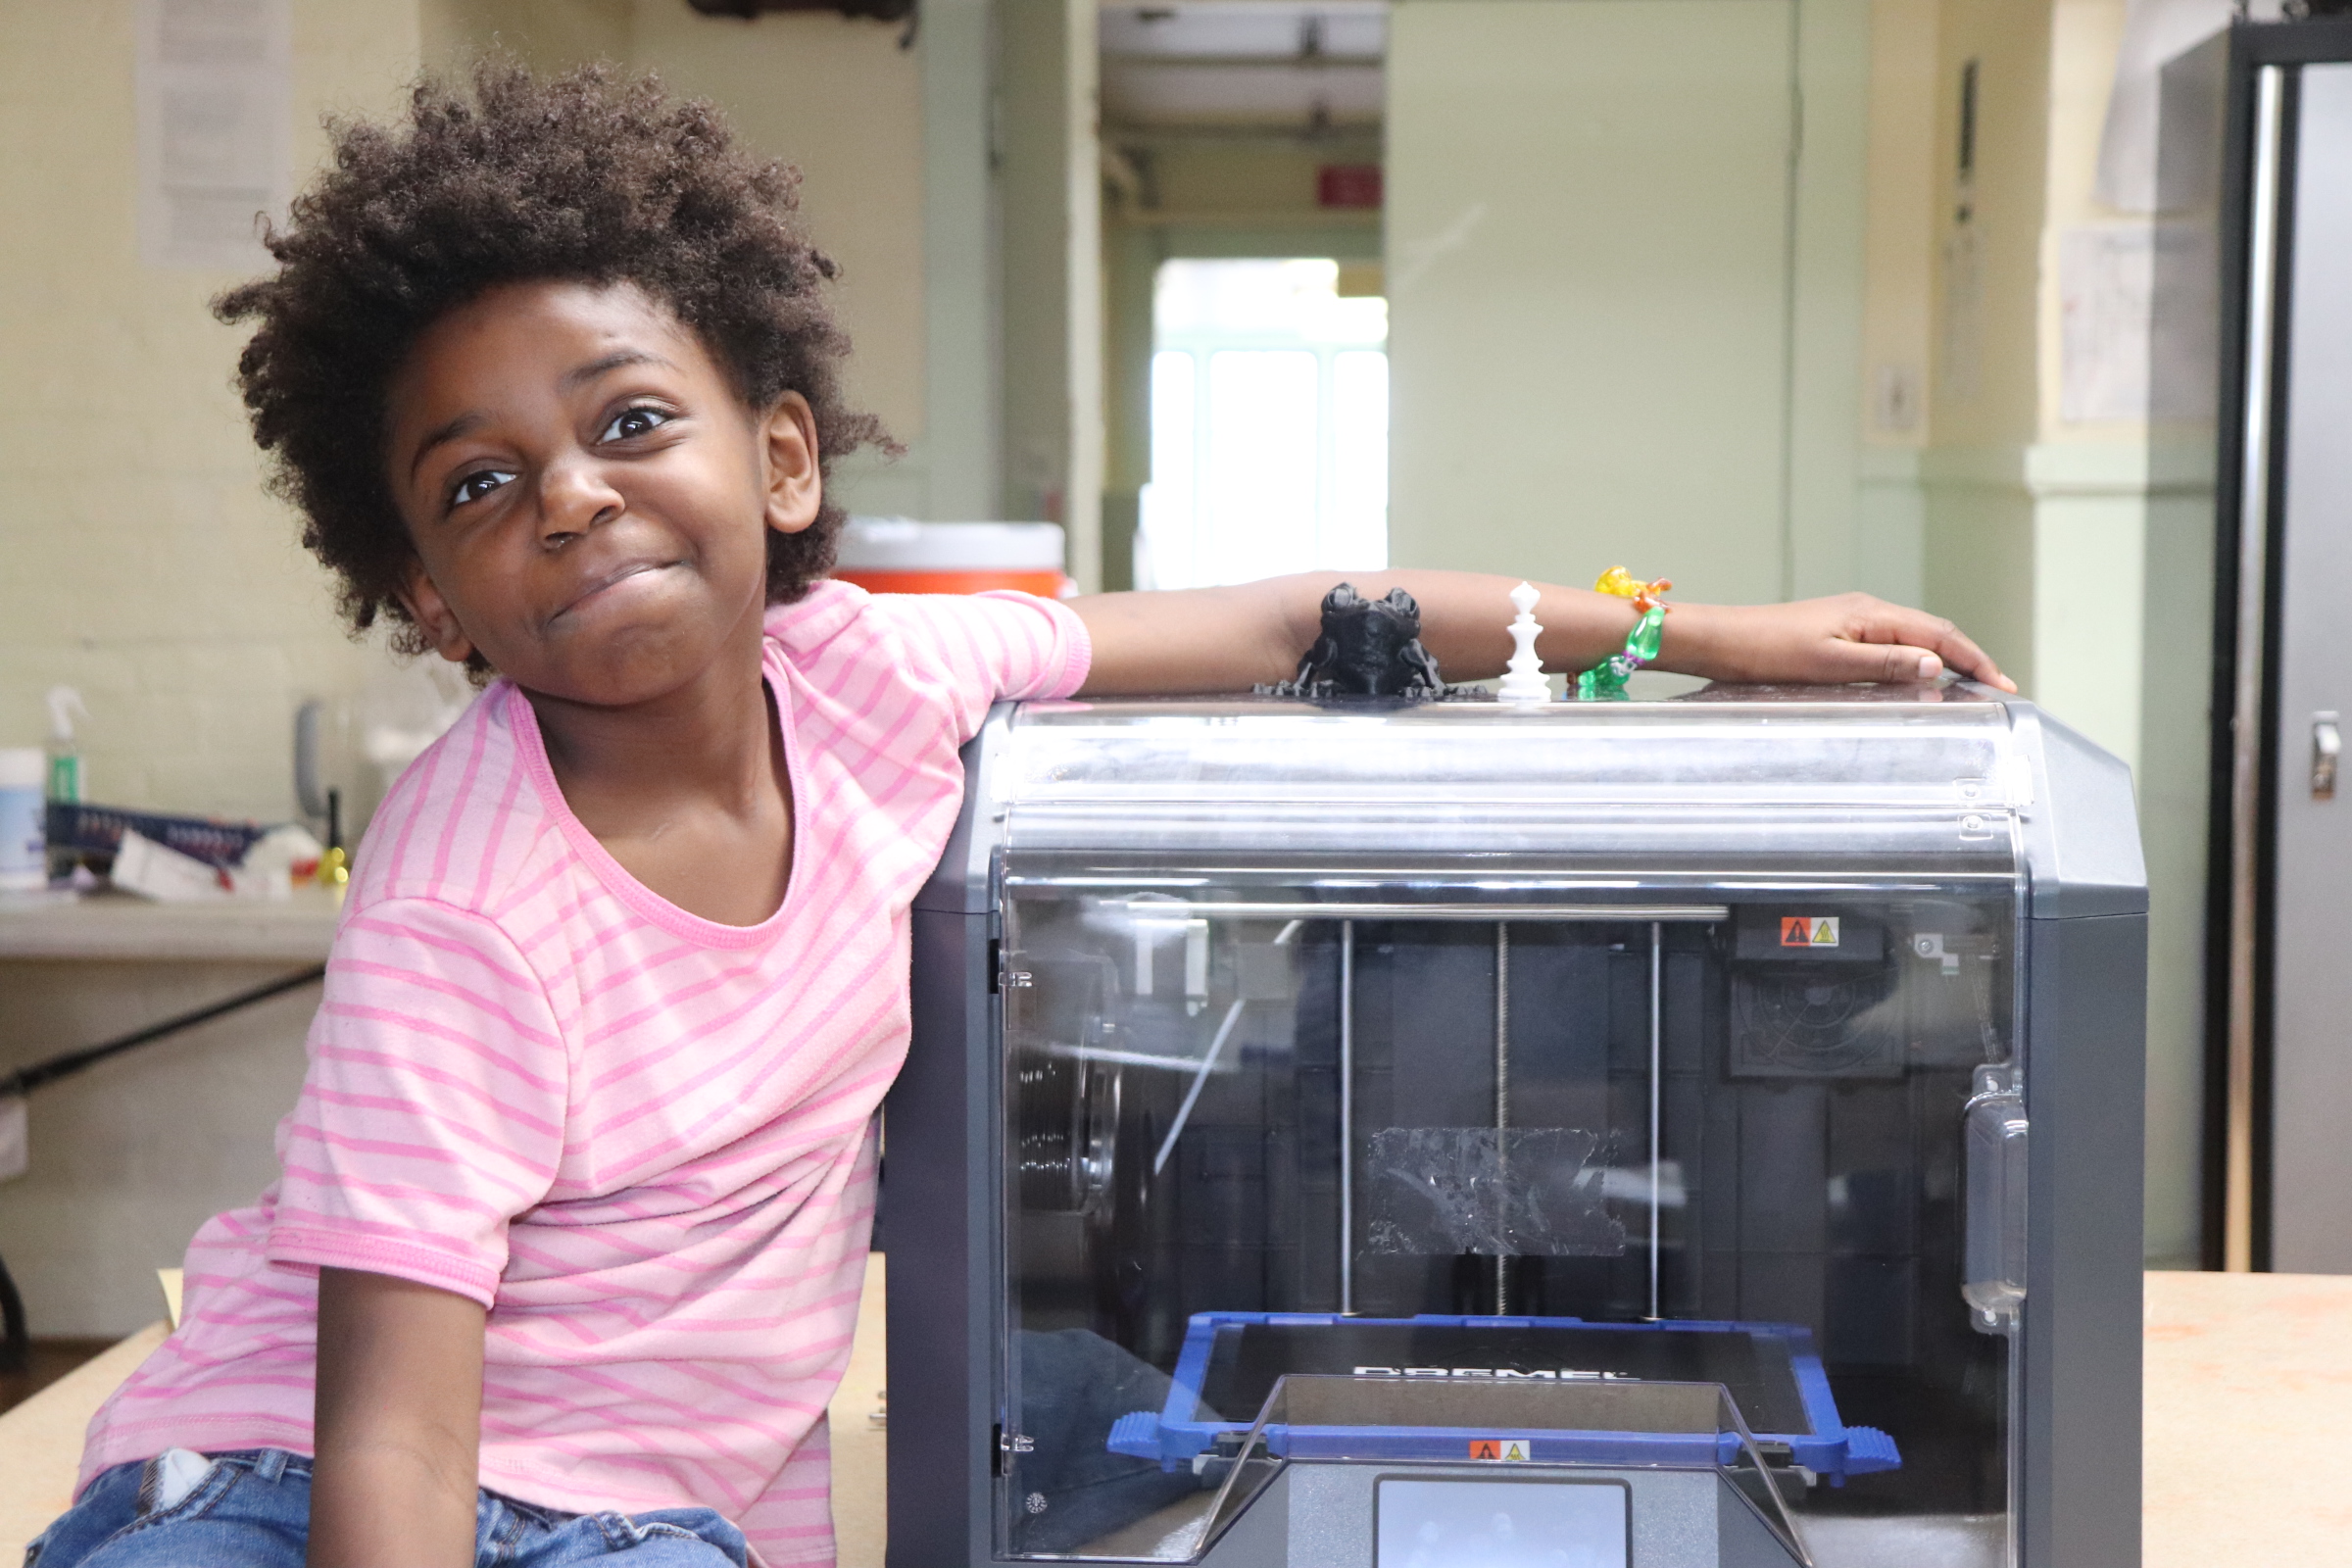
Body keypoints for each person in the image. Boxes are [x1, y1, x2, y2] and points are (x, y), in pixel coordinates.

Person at [32, 61, 2010, 1568]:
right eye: (479, 483)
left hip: (649, 1503)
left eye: (630, 421)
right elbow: (390, 1437)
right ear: (428, 600)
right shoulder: (466, 906)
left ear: (781, 452)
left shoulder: (883, 677)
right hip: (306, 1485)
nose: (568, 494)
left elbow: (1312, 614)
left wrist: (1707, 627)